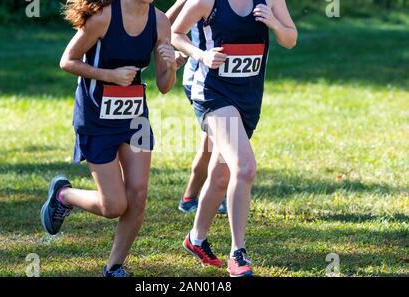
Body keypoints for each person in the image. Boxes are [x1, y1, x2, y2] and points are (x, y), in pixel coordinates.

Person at [40, 0, 177, 277]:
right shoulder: (103, 17)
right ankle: (63, 195)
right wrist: (109, 76)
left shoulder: (161, 21)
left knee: (138, 195)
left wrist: (171, 65)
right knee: (114, 205)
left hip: (134, 117)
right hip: (96, 118)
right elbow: (67, 60)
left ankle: (114, 267)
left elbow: (164, 86)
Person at [172, 0, 297, 277]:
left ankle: (196, 238)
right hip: (214, 95)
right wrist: (201, 55)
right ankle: (237, 253)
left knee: (220, 176)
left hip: (248, 98)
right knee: (244, 167)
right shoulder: (206, 2)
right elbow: (175, 34)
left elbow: (290, 39)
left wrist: (274, 24)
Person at [166, 0, 227, 214]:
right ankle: (201, 196)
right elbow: (162, 25)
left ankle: (196, 196)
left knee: (212, 144)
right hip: (201, 78)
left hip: (228, 80)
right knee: (218, 141)